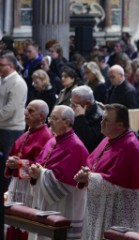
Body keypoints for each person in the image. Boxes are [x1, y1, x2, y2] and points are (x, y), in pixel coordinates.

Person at [74, 104, 139, 240]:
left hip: (118, 211)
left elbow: (116, 182)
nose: (101, 123)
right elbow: (92, 163)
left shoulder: (129, 146)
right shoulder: (108, 140)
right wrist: (85, 173)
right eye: (102, 119)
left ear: (120, 125)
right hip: (101, 206)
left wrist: (88, 177)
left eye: (106, 120)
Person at [28, 105, 89, 239]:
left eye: (54, 118)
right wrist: (34, 171)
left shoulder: (76, 147)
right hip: (45, 199)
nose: (50, 121)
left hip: (63, 204)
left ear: (67, 122)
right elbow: (40, 163)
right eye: (50, 118)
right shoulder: (52, 140)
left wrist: (41, 173)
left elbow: (65, 182)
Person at [4, 100, 52, 240]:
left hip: (30, 189)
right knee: (14, 223)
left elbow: (42, 166)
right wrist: (11, 162)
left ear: (42, 117)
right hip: (18, 185)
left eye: (31, 111)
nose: (25, 113)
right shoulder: (27, 132)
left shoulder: (46, 137)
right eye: (26, 109)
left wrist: (19, 164)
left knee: (25, 225)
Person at [0, 53, 28, 191]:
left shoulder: (17, 82)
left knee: (8, 165)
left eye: (1, 65)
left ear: (10, 66)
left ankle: (7, 195)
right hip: (2, 126)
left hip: (12, 129)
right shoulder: (3, 79)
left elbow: (10, 109)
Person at [70, 85, 104, 152]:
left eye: (75, 105)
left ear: (87, 104)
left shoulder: (101, 117)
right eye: (71, 103)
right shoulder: (77, 109)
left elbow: (88, 141)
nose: (72, 107)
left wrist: (80, 118)